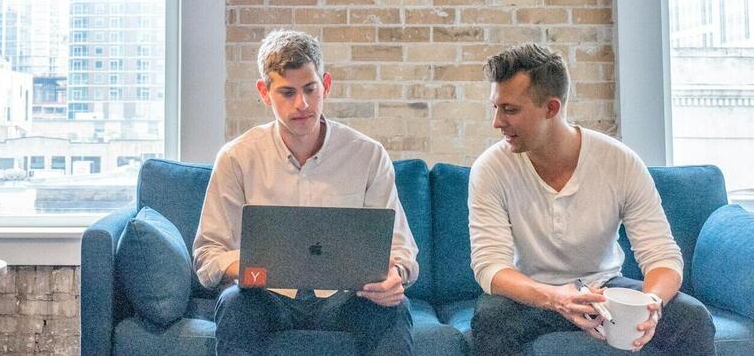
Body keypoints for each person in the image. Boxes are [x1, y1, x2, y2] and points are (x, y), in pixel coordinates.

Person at [468, 43, 716, 355]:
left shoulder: (620, 162)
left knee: (692, 318)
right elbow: (490, 267)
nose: (497, 122)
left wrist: (650, 303)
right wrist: (555, 297)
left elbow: (662, 256)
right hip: (532, 294)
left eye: (510, 110)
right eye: (496, 108)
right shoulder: (491, 168)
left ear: (551, 108)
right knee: (491, 319)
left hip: (604, 290)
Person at [192, 29, 417, 356]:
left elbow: (400, 249)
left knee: (394, 308)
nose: (303, 104)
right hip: (266, 296)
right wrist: (253, 264)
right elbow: (207, 254)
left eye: (311, 89)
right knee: (234, 303)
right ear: (264, 92)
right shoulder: (236, 157)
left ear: (326, 84)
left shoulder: (367, 155)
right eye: (287, 92)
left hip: (347, 297)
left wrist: (394, 275)